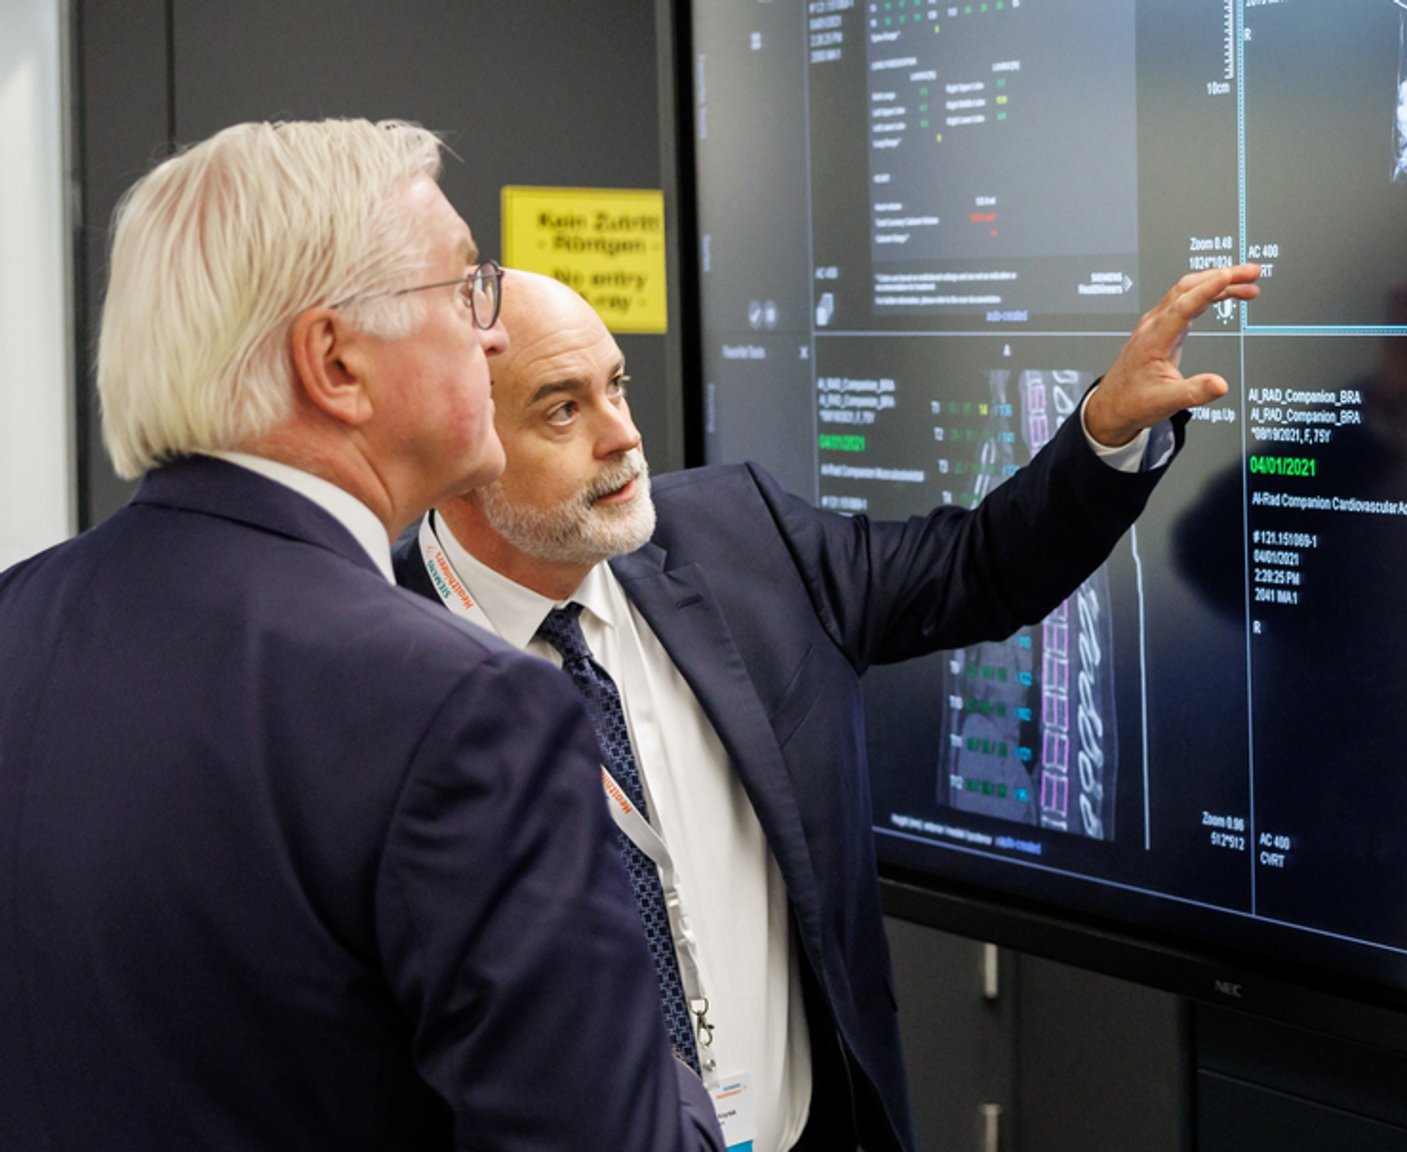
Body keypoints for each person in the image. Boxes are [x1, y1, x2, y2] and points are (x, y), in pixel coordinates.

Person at [393, 264, 1261, 1151]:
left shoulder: (743, 539)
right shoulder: (375, 665)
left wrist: (1105, 430)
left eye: (616, 385)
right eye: (562, 410)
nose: (623, 437)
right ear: (459, 441)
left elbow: (979, 569)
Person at [0, 121, 723, 1150]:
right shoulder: (465, 711)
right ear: (334, 362)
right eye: (467, 287)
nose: (494, 334)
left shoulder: (17, 618)